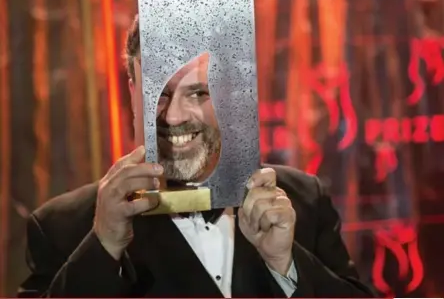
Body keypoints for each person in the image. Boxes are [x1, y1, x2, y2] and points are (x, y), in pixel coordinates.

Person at [17, 15, 374, 298]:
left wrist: (285, 265)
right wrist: (103, 245)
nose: (173, 116)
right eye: (159, 93)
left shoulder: (303, 200)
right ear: (132, 91)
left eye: (198, 93)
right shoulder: (62, 228)